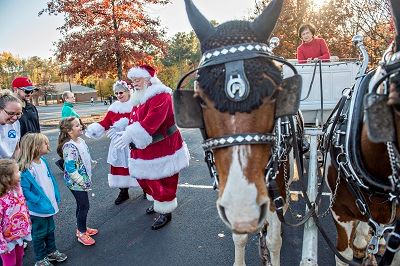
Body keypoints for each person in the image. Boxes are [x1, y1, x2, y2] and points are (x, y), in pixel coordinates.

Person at [114, 65, 190, 230]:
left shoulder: (161, 95)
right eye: (133, 80)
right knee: (146, 179)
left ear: (149, 79)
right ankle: (158, 203)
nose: (134, 83)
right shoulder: (139, 96)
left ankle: (165, 210)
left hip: (164, 148)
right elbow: (136, 118)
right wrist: (125, 126)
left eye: (138, 80)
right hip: (146, 147)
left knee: (165, 179)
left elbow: (151, 123)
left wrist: (130, 134)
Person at [85, 80, 139, 205]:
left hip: (132, 141)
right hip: (118, 142)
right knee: (119, 165)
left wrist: (126, 127)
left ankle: (147, 189)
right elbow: (106, 122)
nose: (119, 95)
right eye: (116, 93)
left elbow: (140, 122)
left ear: (127, 91)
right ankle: (123, 191)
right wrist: (95, 128)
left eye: (121, 92)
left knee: (138, 165)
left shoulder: (136, 105)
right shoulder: (114, 107)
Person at [18, 133, 67, 266]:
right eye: (45, 143)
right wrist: (37, 200)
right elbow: (25, 190)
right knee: (39, 233)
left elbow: (49, 179)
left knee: (50, 229)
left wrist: (54, 195)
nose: (48, 145)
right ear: (35, 147)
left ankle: (51, 251)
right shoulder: (27, 168)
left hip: (47, 205)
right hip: (37, 209)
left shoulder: (43, 162)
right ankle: (40, 258)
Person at [57, 117, 98, 246]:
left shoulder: (80, 140)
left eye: (79, 124)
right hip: (76, 183)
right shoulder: (69, 147)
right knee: (84, 205)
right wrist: (81, 181)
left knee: (81, 205)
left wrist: (91, 162)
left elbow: (85, 154)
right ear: (69, 131)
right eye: (76, 126)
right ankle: (81, 232)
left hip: (81, 180)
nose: (80, 126)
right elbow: (70, 169)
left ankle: (82, 228)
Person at [0, 159, 31, 266]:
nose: (20, 173)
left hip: (19, 234)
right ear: (7, 178)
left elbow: (23, 208)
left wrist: (28, 225)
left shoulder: (16, 190)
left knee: (19, 258)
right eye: (17, 172)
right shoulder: (1, 200)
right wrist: (2, 245)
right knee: (9, 263)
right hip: (6, 240)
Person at [0, 90, 23, 159]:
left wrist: (16, 164)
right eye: (11, 113)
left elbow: (16, 148)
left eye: (18, 114)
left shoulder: (16, 124)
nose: (15, 118)